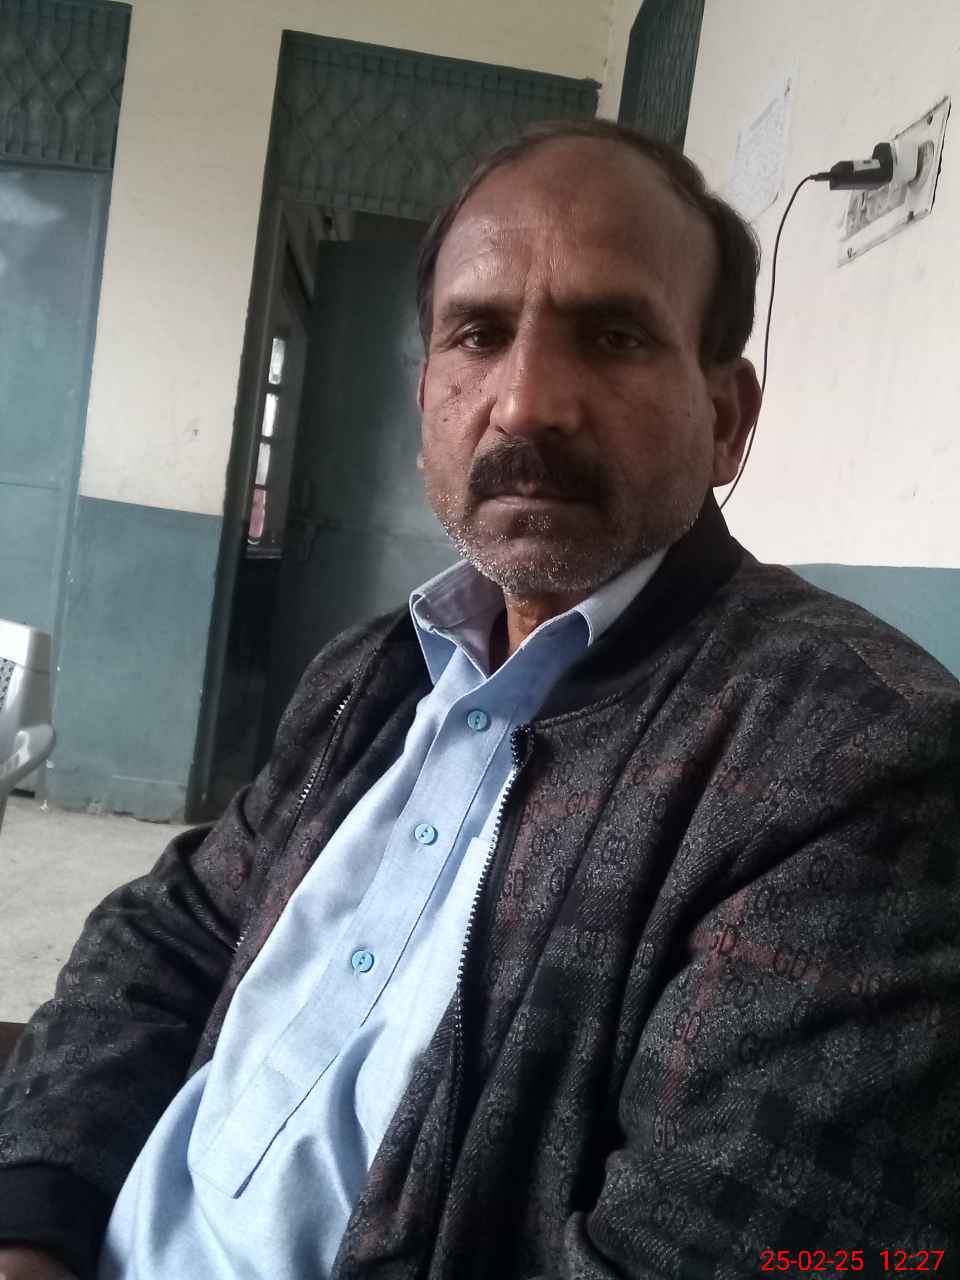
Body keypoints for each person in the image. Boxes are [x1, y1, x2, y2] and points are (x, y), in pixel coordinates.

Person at [0, 119, 957, 1280]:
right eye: (479, 333)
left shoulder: (857, 759)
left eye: (612, 336)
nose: (525, 402)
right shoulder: (373, 672)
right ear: (427, 402)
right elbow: (173, 929)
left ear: (726, 419)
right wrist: (33, 1217)